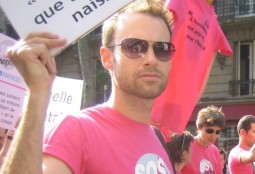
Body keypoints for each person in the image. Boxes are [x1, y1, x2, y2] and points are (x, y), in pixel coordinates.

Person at [0, 0, 175, 173]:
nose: (151, 59)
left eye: (162, 48)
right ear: (107, 58)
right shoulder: (76, 130)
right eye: (135, 46)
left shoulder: (157, 138)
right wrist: (37, 93)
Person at [181, 105, 226, 174]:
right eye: (209, 131)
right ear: (199, 127)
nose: (214, 136)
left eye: (218, 132)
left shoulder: (215, 151)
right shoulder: (186, 146)